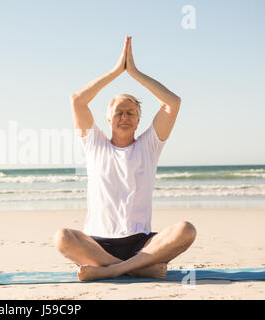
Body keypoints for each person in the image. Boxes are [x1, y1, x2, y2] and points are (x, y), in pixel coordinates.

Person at [54, 36, 197, 281]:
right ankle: (137, 268)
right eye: (118, 112)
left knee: (186, 230)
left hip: (142, 244)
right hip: (98, 244)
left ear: (139, 120)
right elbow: (77, 100)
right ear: (108, 119)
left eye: (130, 112)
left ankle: (115, 270)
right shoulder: (94, 144)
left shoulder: (149, 146)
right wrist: (116, 70)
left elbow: (172, 103)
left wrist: (135, 72)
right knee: (62, 237)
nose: (124, 116)